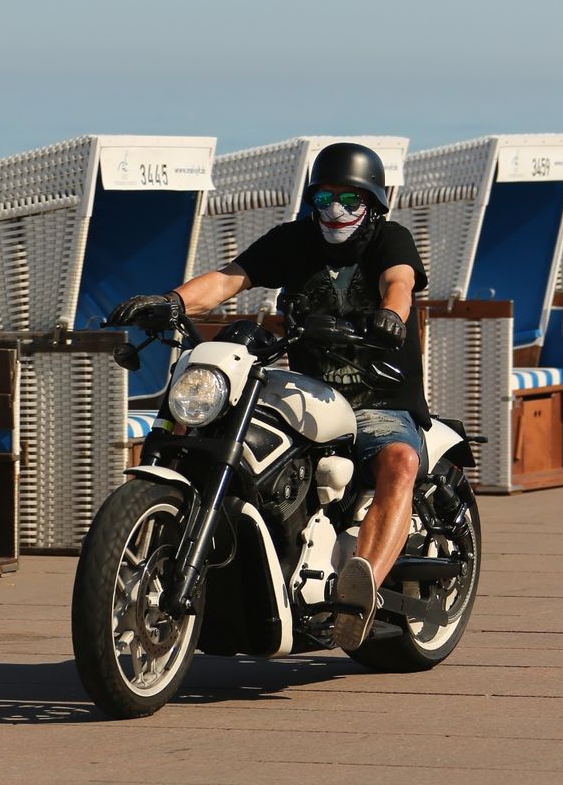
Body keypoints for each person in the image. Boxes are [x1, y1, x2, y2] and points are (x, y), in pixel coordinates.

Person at [106, 142, 429, 651]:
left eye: (349, 200)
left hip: (378, 396)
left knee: (400, 461)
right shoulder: (293, 240)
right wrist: (170, 302)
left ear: (373, 203)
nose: (335, 211)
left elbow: (400, 281)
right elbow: (229, 279)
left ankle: (357, 591)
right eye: (324, 199)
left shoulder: (390, 239)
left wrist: (392, 313)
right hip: (312, 390)